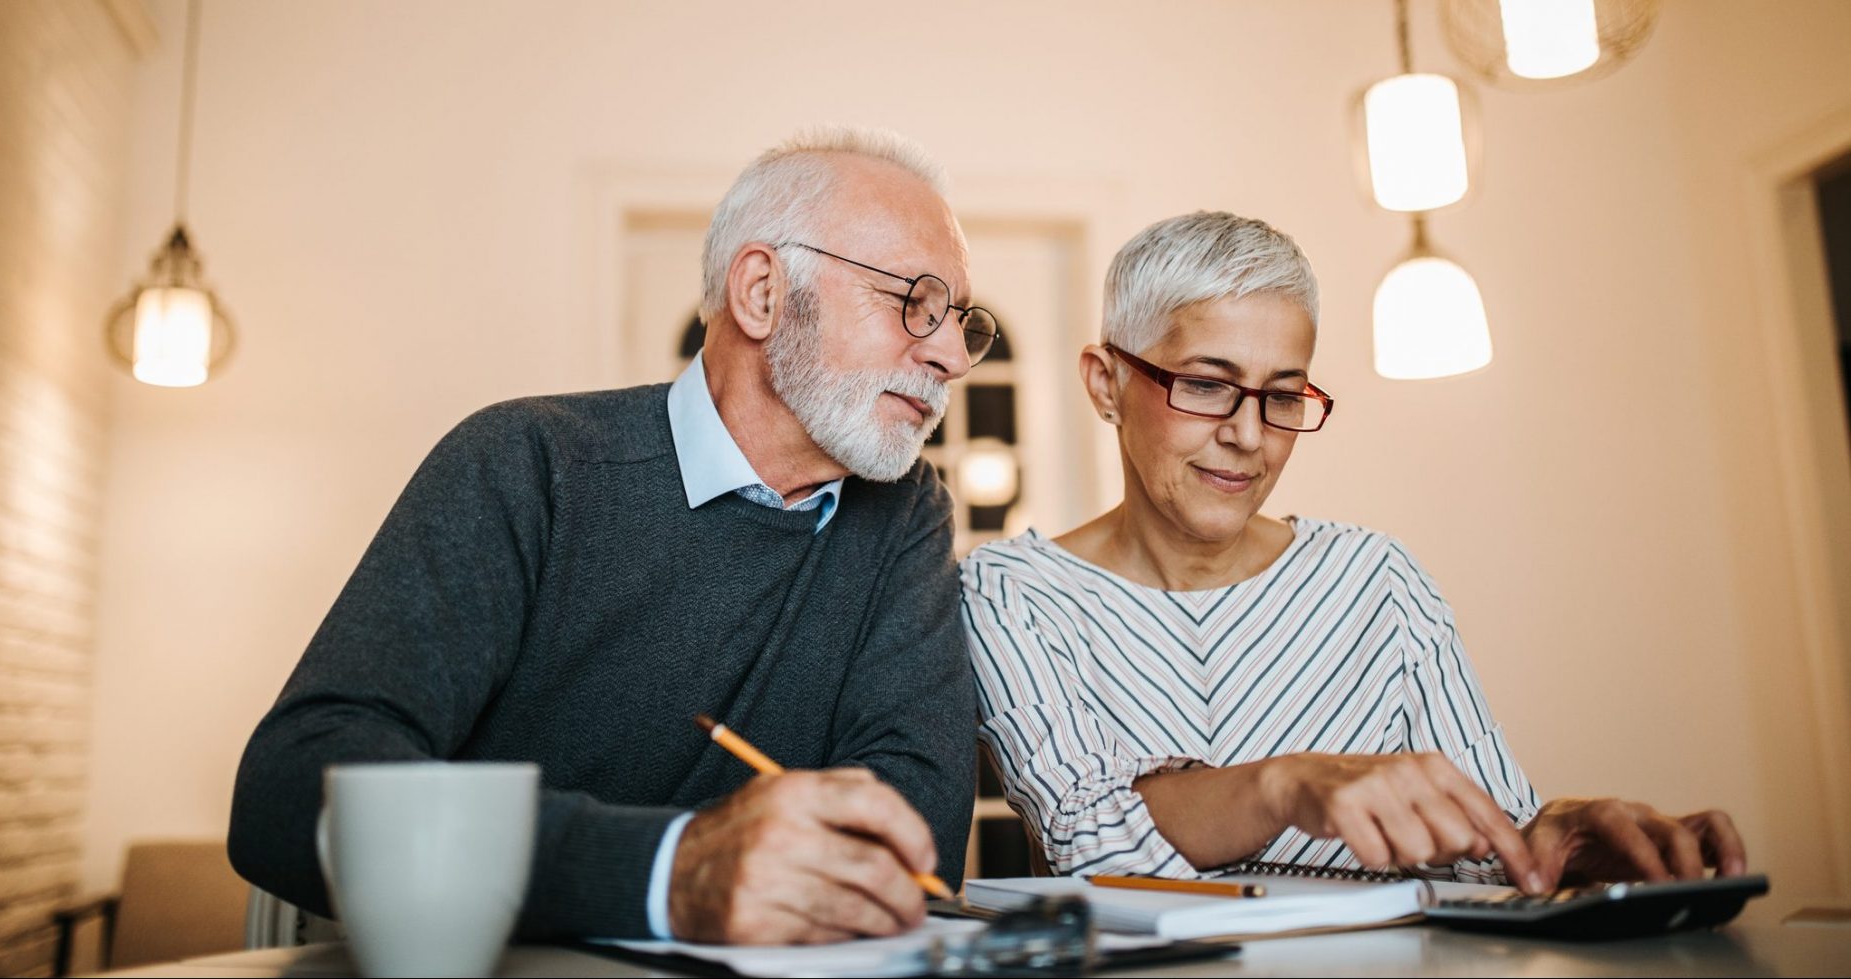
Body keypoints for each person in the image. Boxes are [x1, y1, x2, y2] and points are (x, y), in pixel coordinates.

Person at [229, 127, 999, 945]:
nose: (951, 354)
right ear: (763, 293)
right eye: (914, 299)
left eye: (959, 319)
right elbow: (290, 790)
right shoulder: (528, 463)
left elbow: (911, 844)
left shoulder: (905, 512)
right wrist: (669, 871)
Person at [961, 211, 1746, 893]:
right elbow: (1092, 842)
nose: (1247, 432)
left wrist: (1565, 836)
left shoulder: (1379, 580)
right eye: (1206, 383)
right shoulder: (1010, 592)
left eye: (1283, 395)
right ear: (1105, 384)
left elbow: (1489, 851)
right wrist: (1285, 783)